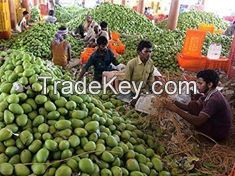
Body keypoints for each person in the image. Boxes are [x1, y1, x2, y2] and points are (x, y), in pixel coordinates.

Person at [163, 69, 232, 141]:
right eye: (197, 83)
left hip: (218, 133)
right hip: (214, 124)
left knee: (193, 120)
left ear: (209, 84)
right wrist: (174, 102)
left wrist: (176, 110)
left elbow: (198, 121)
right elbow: (189, 108)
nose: (197, 85)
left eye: (200, 83)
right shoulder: (210, 93)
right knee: (193, 105)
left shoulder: (214, 100)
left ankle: (204, 136)